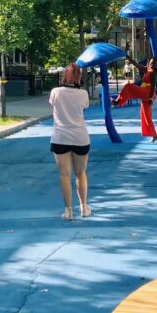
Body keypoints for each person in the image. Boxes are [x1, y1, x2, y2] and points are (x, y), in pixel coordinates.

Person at [49, 63, 91, 220]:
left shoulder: (55, 92)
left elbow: (53, 105)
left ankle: (68, 211)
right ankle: (83, 207)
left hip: (60, 137)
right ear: (79, 76)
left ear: (64, 76)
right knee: (80, 173)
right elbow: (83, 108)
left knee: (64, 175)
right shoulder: (83, 94)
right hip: (80, 137)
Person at [112, 55, 157, 142]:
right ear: (149, 62)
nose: (152, 64)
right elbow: (137, 64)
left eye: (154, 63)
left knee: (128, 86)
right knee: (146, 116)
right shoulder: (147, 69)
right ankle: (155, 136)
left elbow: (153, 86)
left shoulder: (153, 72)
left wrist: (150, 99)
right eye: (151, 62)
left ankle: (118, 102)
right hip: (145, 92)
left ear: (156, 65)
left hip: (148, 93)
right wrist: (129, 58)